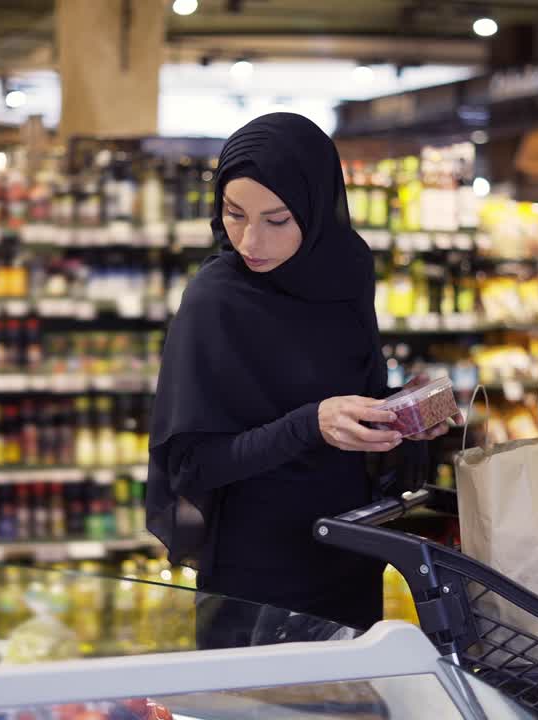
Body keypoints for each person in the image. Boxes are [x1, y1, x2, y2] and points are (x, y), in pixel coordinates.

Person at [146, 113, 456, 645]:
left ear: (316, 208)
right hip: (257, 578)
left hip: (351, 556)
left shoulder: (346, 273)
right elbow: (195, 463)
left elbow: (344, 400)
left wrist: (397, 418)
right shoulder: (215, 300)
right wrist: (312, 424)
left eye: (277, 219)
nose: (250, 239)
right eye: (234, 214)